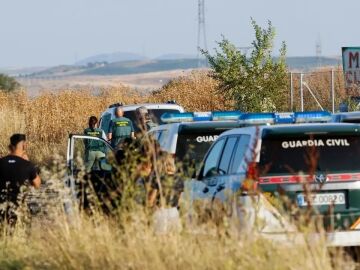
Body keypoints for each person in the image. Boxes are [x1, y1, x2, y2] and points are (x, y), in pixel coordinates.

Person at [0, 134, 41, 226]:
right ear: (24, 146)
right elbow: (37, 184)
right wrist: (28, 162)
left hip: (1, 207)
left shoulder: (1, 162)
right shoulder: (27, 165)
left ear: (10, 146)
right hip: (20, 208)